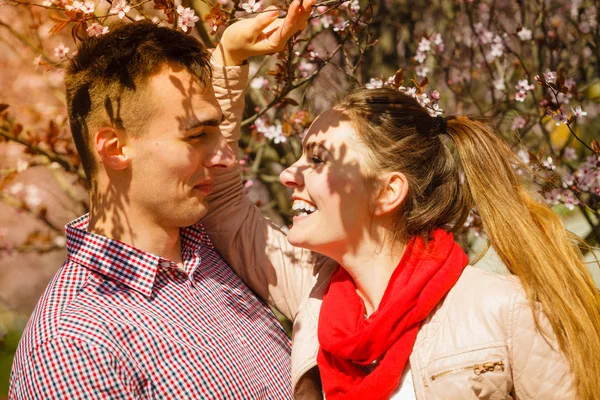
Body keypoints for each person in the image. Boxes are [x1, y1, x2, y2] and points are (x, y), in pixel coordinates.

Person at [203, 85, 600, 398]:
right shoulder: (315, 295)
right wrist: (230, 60)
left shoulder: (504, 311)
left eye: (318, 159)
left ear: (387, 192)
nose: (290, 174)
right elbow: (221, 202)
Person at [9, 2, 314, 397]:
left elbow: (224, 193)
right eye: (195, 136)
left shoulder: (208, 247)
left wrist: (229, 56)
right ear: (115, 148)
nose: (225, 156)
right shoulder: (76, 346)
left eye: (216, 131)